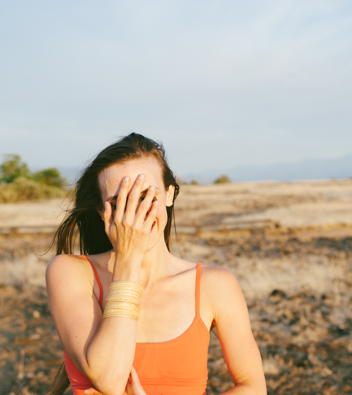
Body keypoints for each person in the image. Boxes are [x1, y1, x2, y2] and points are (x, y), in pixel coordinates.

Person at [46, 133, 266, 395]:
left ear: (169, 195)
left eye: (145, 197)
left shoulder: (215, 284)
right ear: (101, 212)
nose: (135, 214)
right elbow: (109, 378)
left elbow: (253, 387)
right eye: (119, 203)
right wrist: (128, 260)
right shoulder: (71, 272)